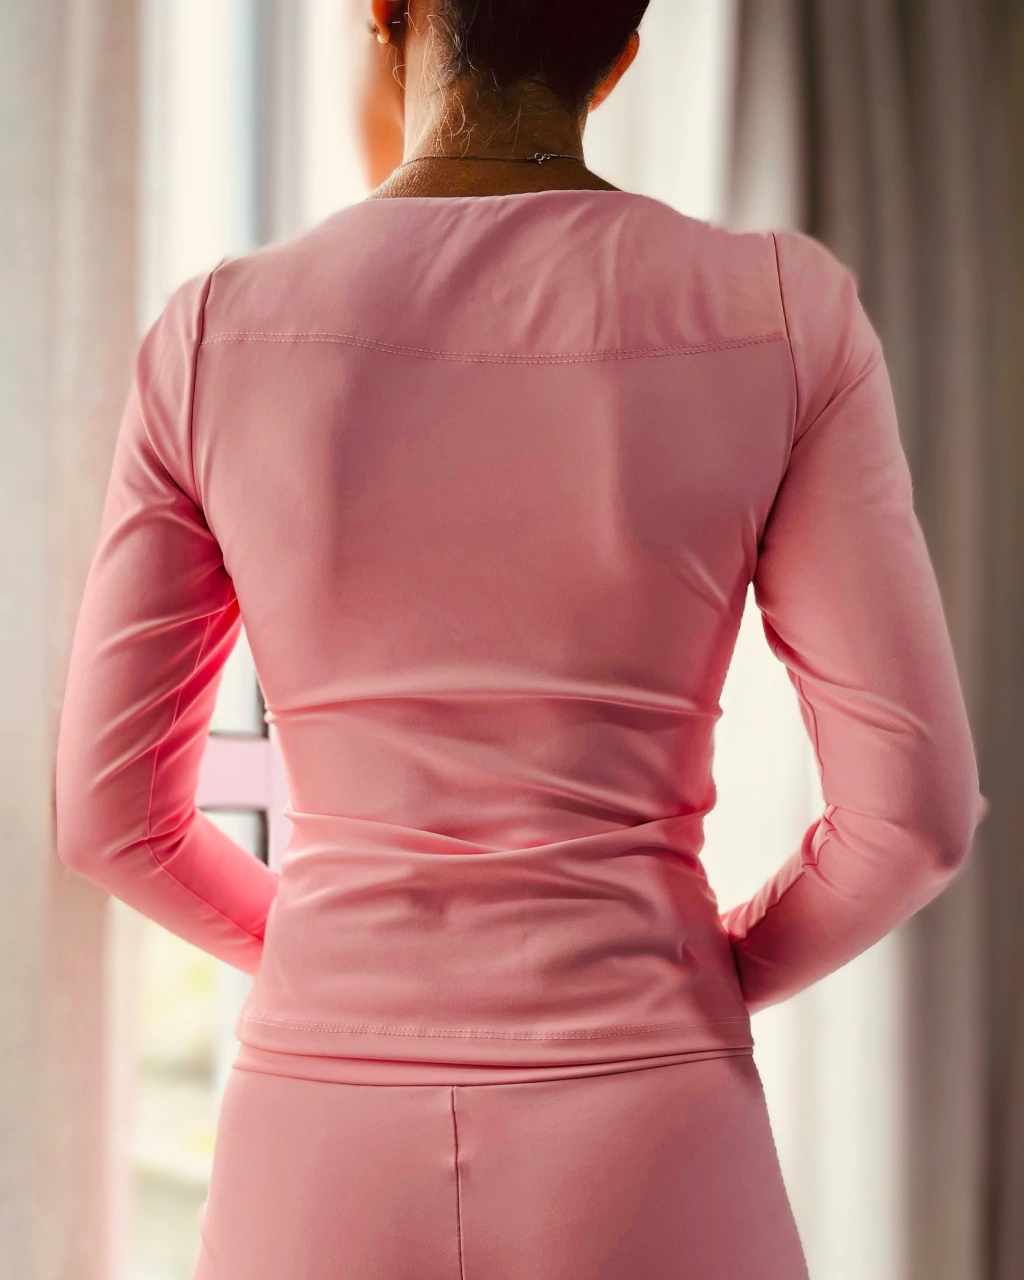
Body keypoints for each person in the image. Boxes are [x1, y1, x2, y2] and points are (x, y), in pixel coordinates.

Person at [53, 1, 989, 1276]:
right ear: (617, 55)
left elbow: (111, 818)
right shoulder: (783, 313)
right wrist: (696, 977)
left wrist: (336, 952)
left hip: (320, 1136)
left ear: (386, 13)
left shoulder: (211, 336)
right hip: (648, 1114)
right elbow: (914, 819)